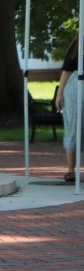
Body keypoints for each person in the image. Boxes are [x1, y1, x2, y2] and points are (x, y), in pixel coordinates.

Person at [55, 38, 80, 182]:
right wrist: (59, 94)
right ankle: (70, 170)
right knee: (72, 127)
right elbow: (66, 71)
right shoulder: (75, 48)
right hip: (74, 91)